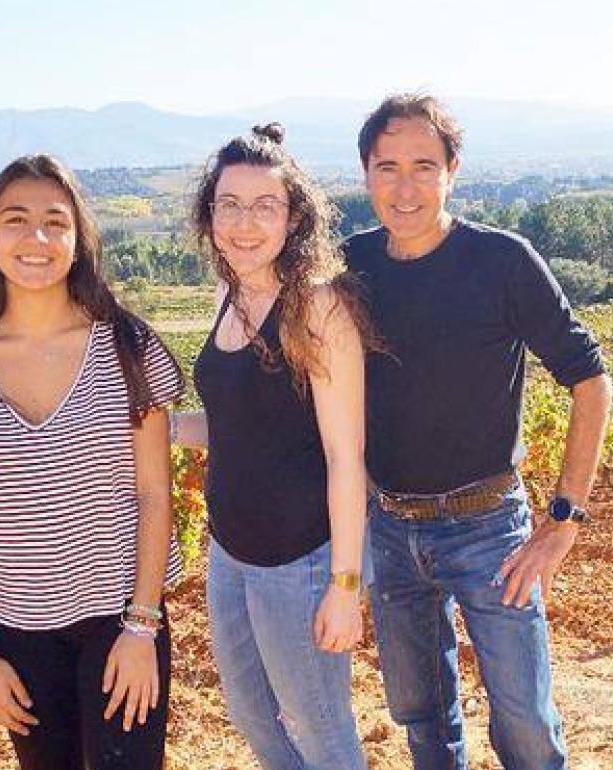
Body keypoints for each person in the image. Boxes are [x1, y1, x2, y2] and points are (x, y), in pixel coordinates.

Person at [344, 93, 613, 770]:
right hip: (390, 528)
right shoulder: (350, 268)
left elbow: (592, 382)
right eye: (388, 167)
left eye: (424, 166)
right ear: (365, 172)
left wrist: (564, 523)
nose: (405, 187)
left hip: (489, 529)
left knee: (523, 725)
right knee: (420, 719)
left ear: (452, 170)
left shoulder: (502, 262)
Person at [0, 154, 184, 770]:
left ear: (77, 239)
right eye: (16, 219)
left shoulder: (126, 348)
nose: (35, 238)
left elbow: (153, 496)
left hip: (120, 621)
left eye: (54, 222)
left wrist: (142, 627)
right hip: (16, 634)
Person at [172, 124, 372, 770]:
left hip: (302, 563)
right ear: (210, 215)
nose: (244, 223)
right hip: (230, 554)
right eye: (229, 204)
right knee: (256, 720)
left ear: (294, 217)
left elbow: (346, 457)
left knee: (320, 733)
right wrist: (159, 430)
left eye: (265, 206)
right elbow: (234, 425)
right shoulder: (225, 297)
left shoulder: (316, 308)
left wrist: (345, 585)